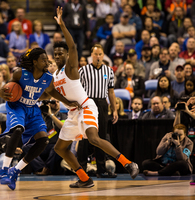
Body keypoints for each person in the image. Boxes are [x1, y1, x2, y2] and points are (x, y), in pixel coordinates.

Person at [52, 7, 139, 186]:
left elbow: (73, 46)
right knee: (59, 148)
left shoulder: (70, 68)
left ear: (68, 56)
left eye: (61, 53)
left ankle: (128, 163)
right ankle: (84, 178)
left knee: (94, 138)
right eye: (56, 54)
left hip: (86, 105)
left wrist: (62, 25)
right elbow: (50, 94)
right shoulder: (54, 77)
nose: (58, 56)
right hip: (73, 112)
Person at [0, 47, 80, 190]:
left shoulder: (48, 77)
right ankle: (4, 169)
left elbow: (52, 91)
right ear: (35, 62)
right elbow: (5, 89)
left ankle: (15, 170)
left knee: (43, 140)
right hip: (17, 106)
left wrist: (67, 101)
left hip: (33, 108)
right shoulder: (19, 73)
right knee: (18, 129)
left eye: (47, 59)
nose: (47, 62)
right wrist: (0, 92)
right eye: (43, 60)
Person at [22, 97, 67, 175]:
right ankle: (42, 168)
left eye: (58, 101)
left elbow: (63, 127)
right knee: (26, 147)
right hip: (43, 145)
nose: (56, 103)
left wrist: (51, 114)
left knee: (56, 148)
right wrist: (38, 112)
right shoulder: (41, 117)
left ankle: (47, 169)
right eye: (53, 102)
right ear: (48, 104)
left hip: (55, 145)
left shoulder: (62, 116)